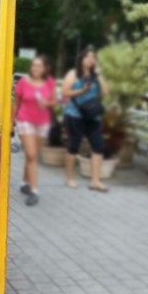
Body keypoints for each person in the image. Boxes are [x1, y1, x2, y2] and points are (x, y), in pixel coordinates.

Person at [62, 47, 108, 191]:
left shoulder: (95, 76)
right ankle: (70, 178)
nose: (90, 59)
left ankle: (95, 180)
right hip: (75, 115)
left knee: (98, 147)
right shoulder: (73, 74)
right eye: (87, 57)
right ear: (81, 59)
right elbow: (65, 92)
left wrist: (99, 75)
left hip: (93, 115)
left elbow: (105, 92)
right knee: (74, 146)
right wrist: (82, 90)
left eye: (93, 57)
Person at [12, 56, 57, 206]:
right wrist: (11, 121)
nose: (36, 68)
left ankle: (25, 182)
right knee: (31, 155)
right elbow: (16, 103)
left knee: (32, 156)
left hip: (42, 123)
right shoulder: (23, 83)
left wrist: (47, 103)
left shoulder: (50, 82)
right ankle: (34, 190)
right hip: (25, 121)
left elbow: (54, 102)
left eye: (40, 66)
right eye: (34, 66)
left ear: (45, 68)